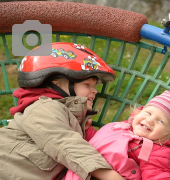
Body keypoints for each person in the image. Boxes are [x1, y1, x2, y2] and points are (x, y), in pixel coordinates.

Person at [0, 42, 125, 180]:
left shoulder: (77, 122)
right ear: (56, 84)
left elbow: (102, 144)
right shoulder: (43, 107)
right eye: (86, 84)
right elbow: (65, 143)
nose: (94, 90)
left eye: (94, 86)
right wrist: (110, 176)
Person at [64, 90, 170, 180]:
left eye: (161, 121)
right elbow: (97, 142)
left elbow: (157, 174)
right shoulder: (120, 127)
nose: (150, 120)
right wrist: (87, 131)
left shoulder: (156, 151)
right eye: (148, 113)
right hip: (77, 170)